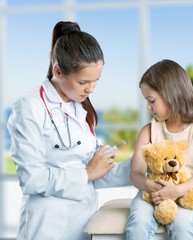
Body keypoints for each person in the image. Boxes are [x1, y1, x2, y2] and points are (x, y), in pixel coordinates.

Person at [7, 21, 131, 240]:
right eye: (83, 81)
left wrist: (141, 167)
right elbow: (32, 179)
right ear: (58, 71)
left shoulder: (80, 107)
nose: (91, 89)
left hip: (84, 222)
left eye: (96, 81)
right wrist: (86, 173)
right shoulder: (30, 107)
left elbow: (95, 175)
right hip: (47, 226)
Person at [125, 59, 193, 240]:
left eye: (151, 100)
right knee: (138, 224)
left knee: (182, 226)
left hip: (189, 193)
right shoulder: (149, 130)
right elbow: (136, 173)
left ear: (171, 95)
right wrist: (151, 187)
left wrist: (178, 190)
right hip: (152, 193)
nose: (148, 106)